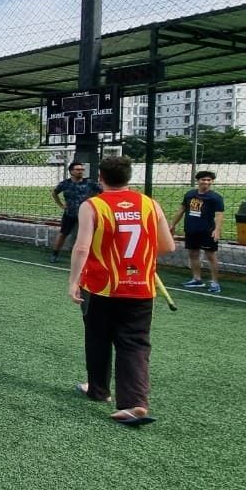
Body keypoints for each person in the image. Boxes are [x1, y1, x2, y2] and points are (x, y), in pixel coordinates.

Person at [67, 154, 174, 425]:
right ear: (129, 178)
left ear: (100, 178)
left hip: (102, 286)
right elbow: (167, 246)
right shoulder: (150, 204)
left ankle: (99, 390)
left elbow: (81, 247)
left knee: (98, 338)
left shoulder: (93, 205)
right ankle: (135, 402)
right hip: (141, 287)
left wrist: (73, 280)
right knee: (135, 343)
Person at [170, 170, 225, 293]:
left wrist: (217, 230)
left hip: (207, 231)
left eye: (208, 180)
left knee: (211, 255)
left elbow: (219, 215)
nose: (206, 182)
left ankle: (215, 282)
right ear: (198, 181)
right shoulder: (190, 195)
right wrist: (172, 224)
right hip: (191, 229)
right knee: (193, 254)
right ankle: (196, 279)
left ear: (212, 182)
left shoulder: (216, 198)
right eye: (203, 180)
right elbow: (181, 210)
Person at [51, 161, 102, 263]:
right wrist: (61, 205)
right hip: (69, 213)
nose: (81, 171)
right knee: (63, 234)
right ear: (71, 171)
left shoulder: (89, 183)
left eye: (82, 169)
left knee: (89, 235)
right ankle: (54, 254)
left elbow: (102, 192)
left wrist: (95, 203)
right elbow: (54, 193)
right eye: (78, 169)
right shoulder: (65, 184)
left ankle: (91, 256)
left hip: (85, 215)